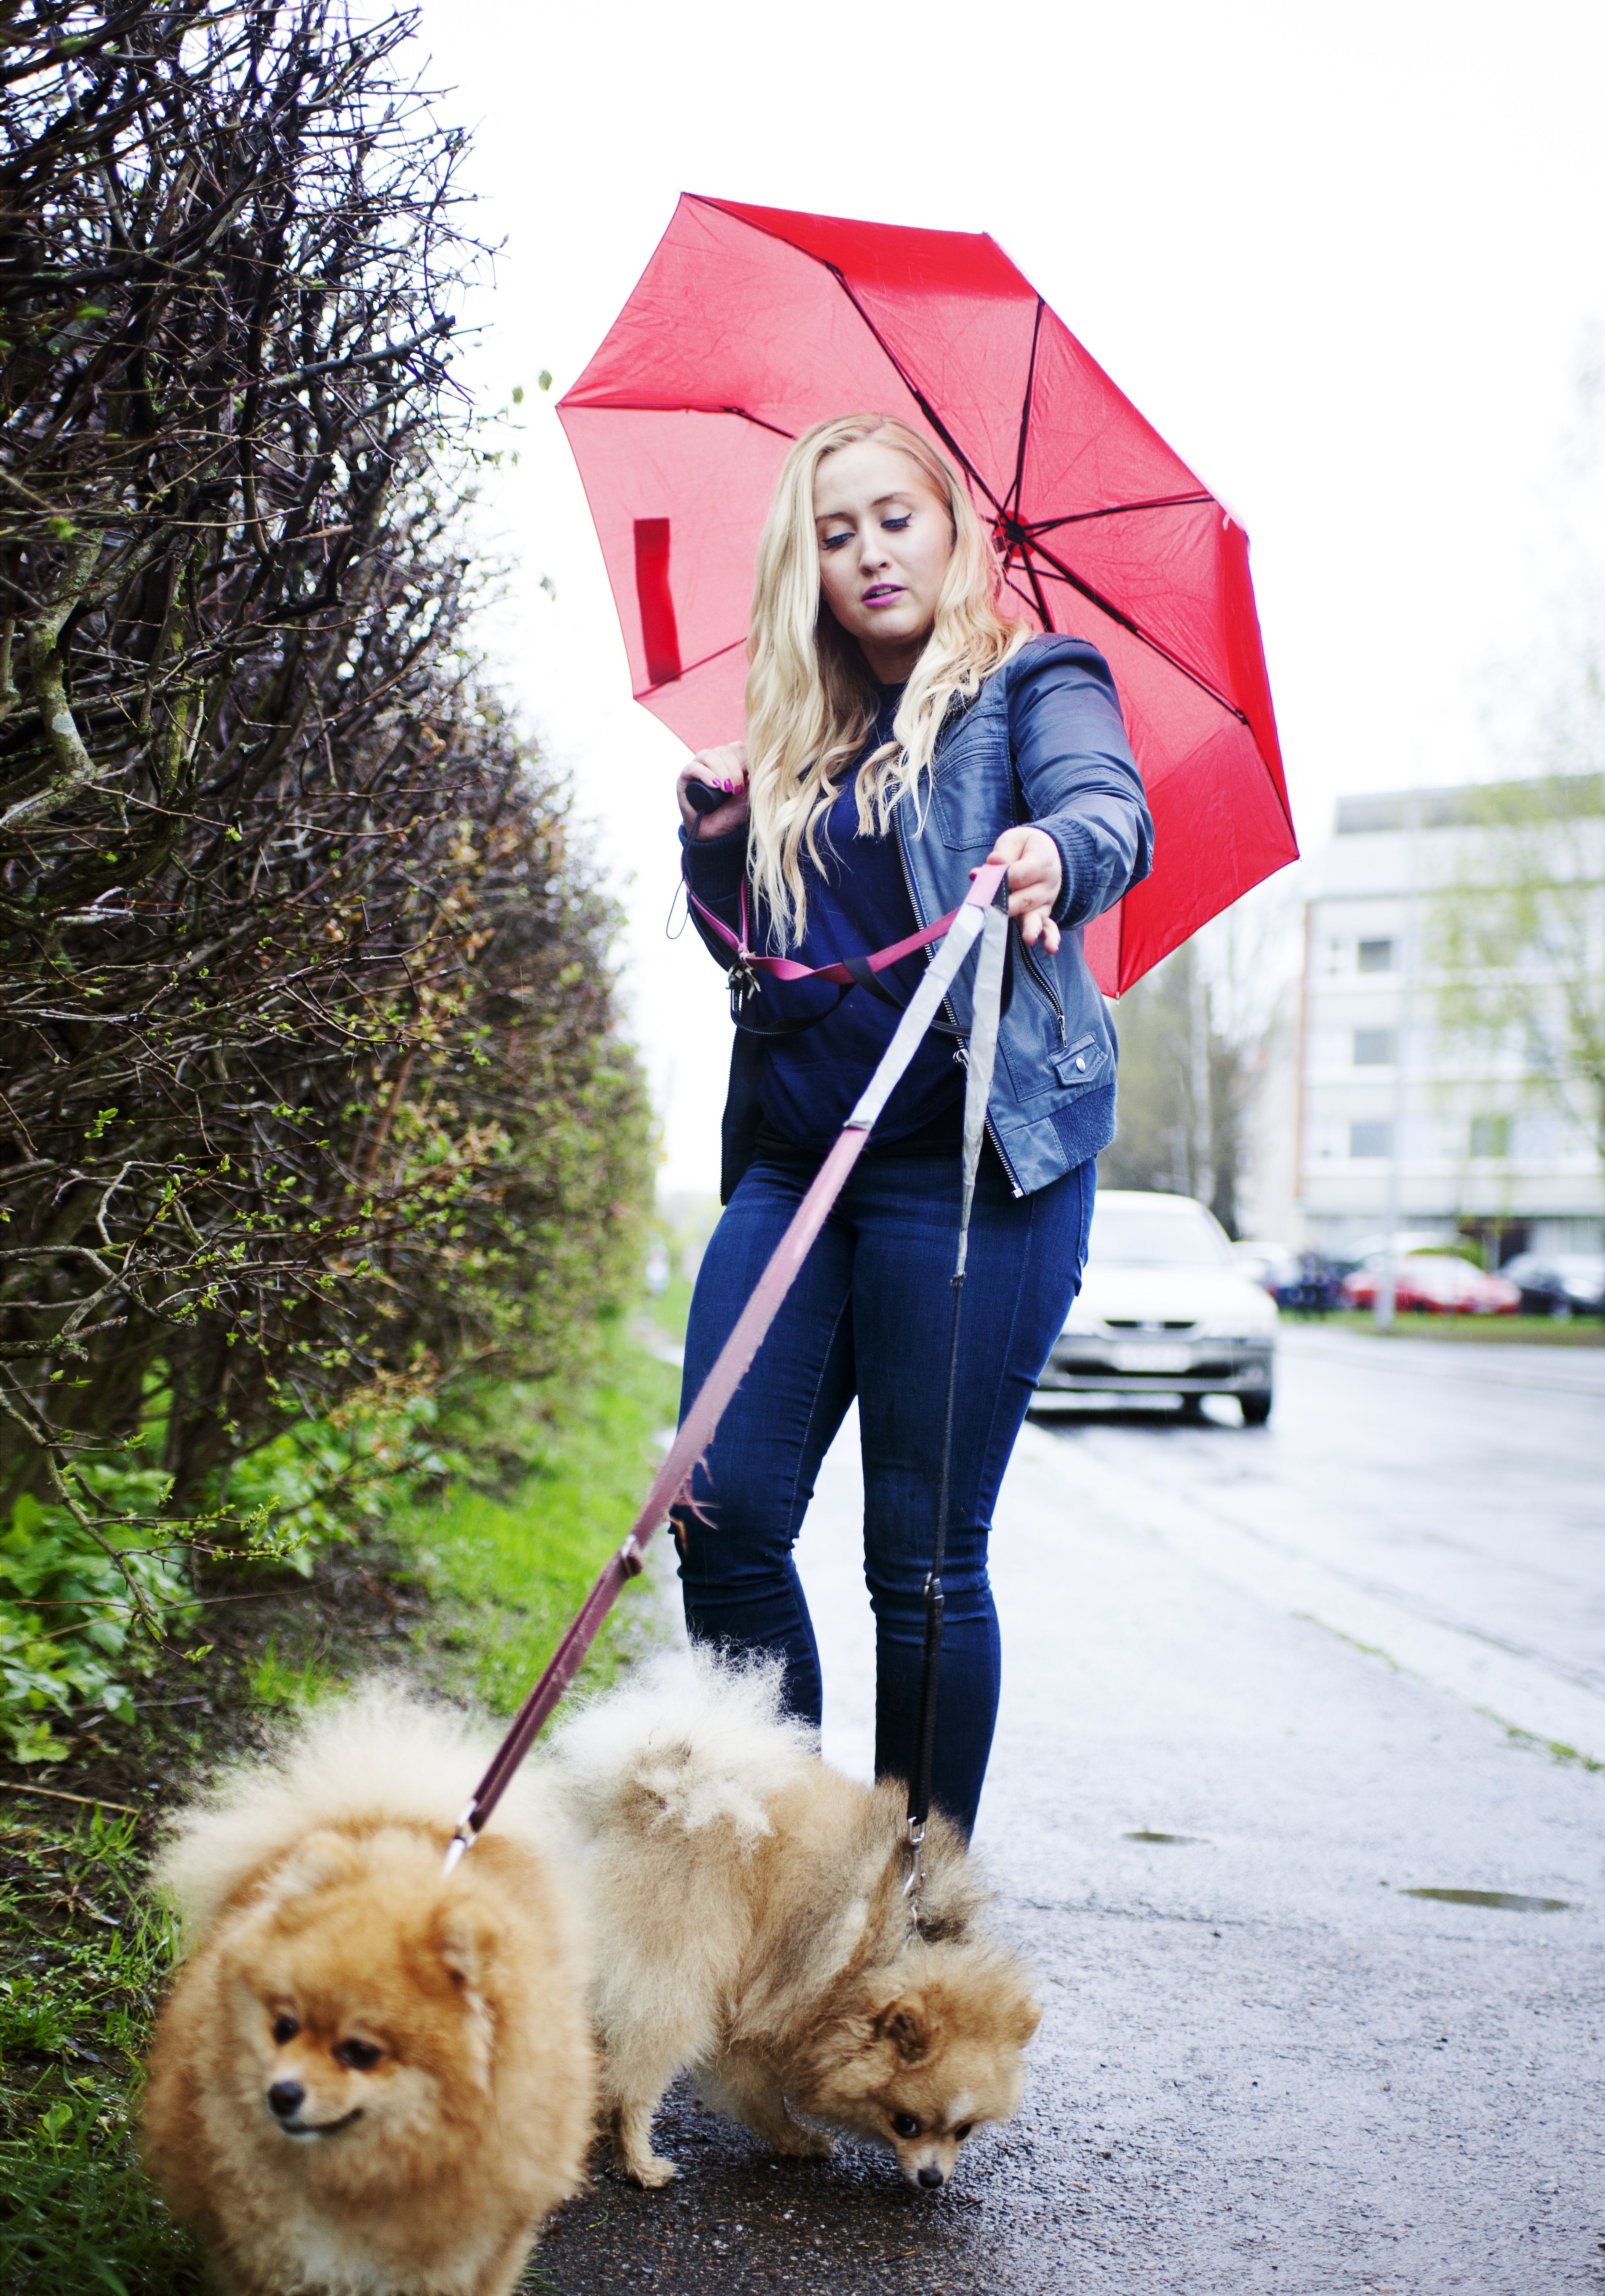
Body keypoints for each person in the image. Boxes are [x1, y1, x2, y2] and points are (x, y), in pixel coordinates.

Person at [672, 413, 1153, 1837]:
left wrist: (1052, 848)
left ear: (954, 529)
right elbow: (769, 963)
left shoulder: (1035, 684)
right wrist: (710, 838)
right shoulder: (792, 736)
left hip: (975, 1177)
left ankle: (915, 1911)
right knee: (722, 1512)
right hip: (794, 1173)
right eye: (835, 533)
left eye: (895, 517)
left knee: (924, 1560)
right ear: (801, 565)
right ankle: (789, 1886)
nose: (870, 551)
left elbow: (1106, 809)